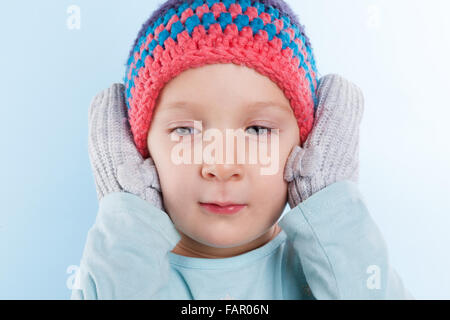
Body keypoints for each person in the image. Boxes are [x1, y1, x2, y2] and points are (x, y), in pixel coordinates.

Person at [71, 0, 413, 299]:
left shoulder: (330, 269)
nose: (222, 165)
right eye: (186, 131)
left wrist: (331, 203)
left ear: (307, 144)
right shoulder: (123, 274)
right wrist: (127, 215)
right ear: (140, 151)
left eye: (257, 129)